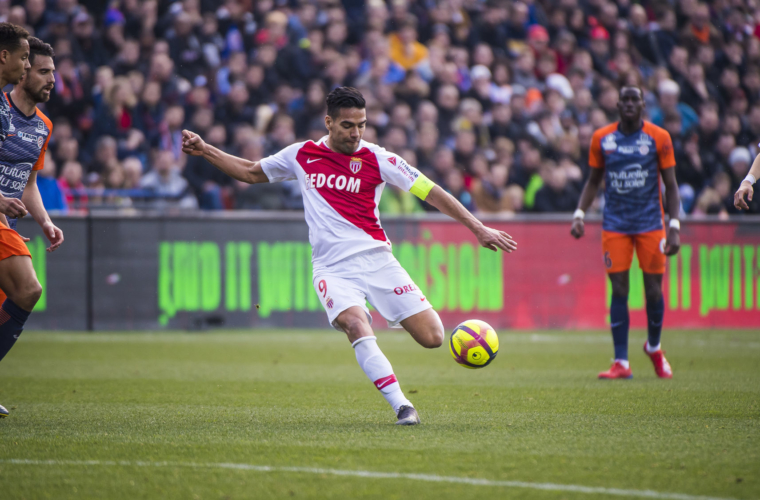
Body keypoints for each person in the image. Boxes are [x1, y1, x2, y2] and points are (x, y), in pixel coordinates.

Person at [182, 87, 517, 425]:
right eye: (347, 125)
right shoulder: (302, 154)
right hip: (332, 269)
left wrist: (478, 228)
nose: (356, 133)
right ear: (328, 122)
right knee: (356, 324)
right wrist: (206, 149)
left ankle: (402, 368)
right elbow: (251, 171)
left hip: (378, 261)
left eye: (362, 125)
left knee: (433, 337)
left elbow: (430, 191)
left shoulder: (379, 158)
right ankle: (403, 406)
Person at [571, 86, 680, 380]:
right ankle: (621, 362)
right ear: (618, 104)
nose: (630, 104)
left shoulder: (659, 137)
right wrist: (579, 214)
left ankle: (654, 347)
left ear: (643, 104)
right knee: (619, 289)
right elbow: (593, 180)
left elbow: (671, 185)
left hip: (650, 223)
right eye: (625, 99)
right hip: (615, 224)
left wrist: (674, 226)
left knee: (653, 289)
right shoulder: (602, 138)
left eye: (635, 99)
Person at [0, 31, 64, 419]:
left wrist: (45, 220)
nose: (51, 80)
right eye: (43, 71)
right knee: (28, 288)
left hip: (6, 221)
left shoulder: (43, 126)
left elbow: (28, 183)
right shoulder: (1, 110)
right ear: (22, 71)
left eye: (53, 72)